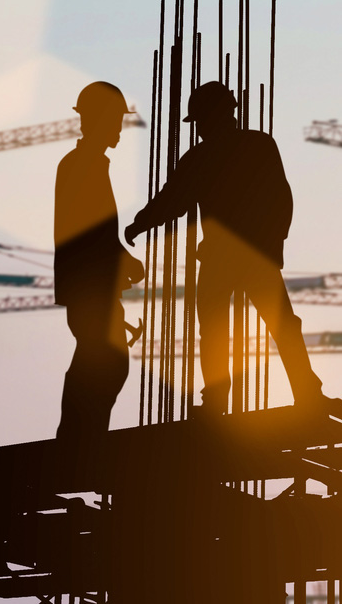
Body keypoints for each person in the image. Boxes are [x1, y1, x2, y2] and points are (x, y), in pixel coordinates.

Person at [124, 80, 330, 415]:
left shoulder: (204, 157)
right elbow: (282, 198)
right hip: (253, 252)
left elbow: (172, 201)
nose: (200, 129)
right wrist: (274, 244)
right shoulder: (257, 145)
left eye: (201, 121)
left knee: (217, 328)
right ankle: (305, 391)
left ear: (210, 117)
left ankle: (219, 399)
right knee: (280, 325)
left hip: (225, 255)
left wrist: (141, 223)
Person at [55, 81, 144, 445]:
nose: (119, 129)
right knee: (103, 362)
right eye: (115, 121)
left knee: (100, 361)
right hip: (89, 286)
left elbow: (95, 231)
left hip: (92, 287)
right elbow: (88, 230)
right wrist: (124, 260)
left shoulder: (86, 164)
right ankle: (78, 440)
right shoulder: (83, 165)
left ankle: (81, 438)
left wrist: (120, 262)